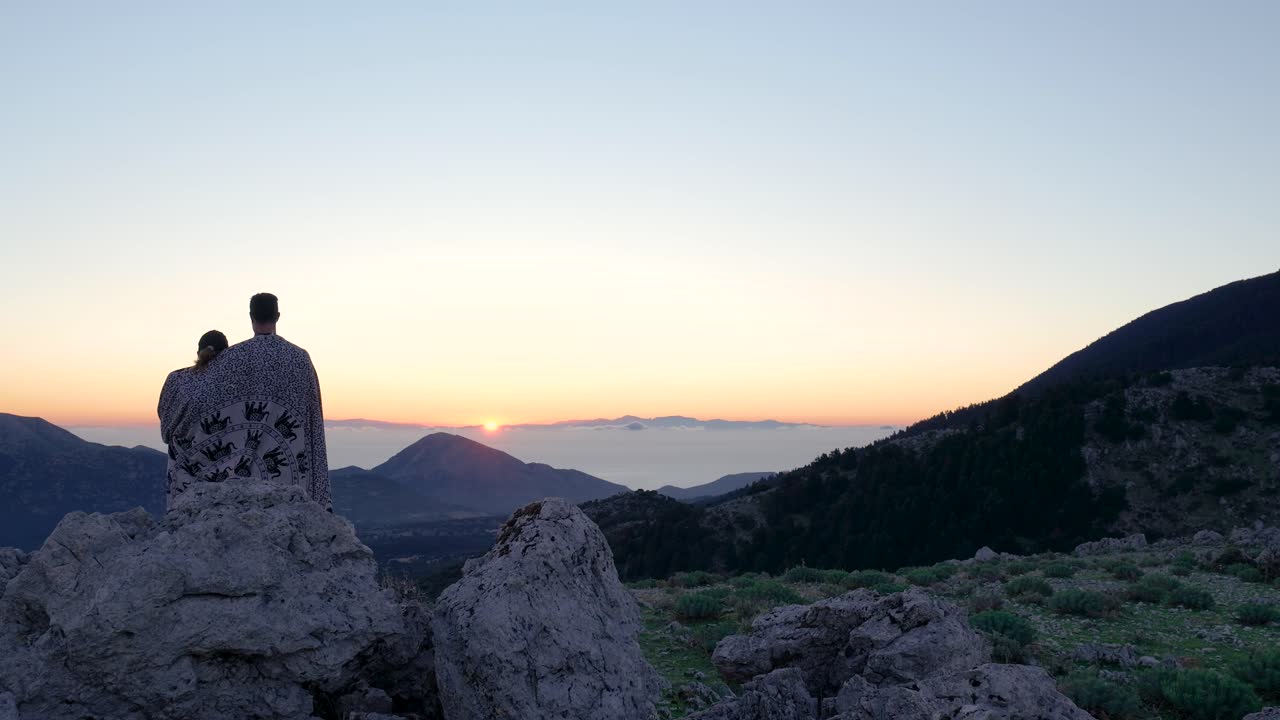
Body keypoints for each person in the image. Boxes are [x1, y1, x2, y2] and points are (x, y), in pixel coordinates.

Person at [157, 293, 331, 511]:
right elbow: (312, 415)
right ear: (278, 316)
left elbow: (195, 391)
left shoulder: (233, 357)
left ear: (251, 316)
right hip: (287, 479)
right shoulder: (300, 359)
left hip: (235, 481)